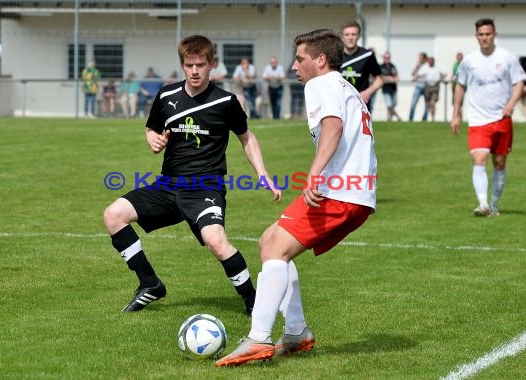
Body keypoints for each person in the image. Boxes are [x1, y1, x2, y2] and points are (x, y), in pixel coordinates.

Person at [216, 28, 376, 367]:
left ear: (320, 60)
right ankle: (296, 332)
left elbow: (333, 128)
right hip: (353, 191)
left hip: (339, 191)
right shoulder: (344, 86)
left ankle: (258, 339)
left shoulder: (320, 84)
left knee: (275, 248)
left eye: (300, 59)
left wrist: (315, 173)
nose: (293, 67)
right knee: (269, 241)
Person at [102, 34, 282, 316]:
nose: (195, 71)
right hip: (168, 185)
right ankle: (150, 284)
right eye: (189, 65)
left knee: (216, 241)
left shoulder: (226, 101)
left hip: (205, 187)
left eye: (200, 64)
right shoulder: (166, 96)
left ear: (213, 64)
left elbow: (246, 138)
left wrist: (262, 173)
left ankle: (253, 303)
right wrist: (151, 138)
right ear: (182, 65)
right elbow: (151, 128)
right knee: (113, 215)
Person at [450, 18, 525, 217]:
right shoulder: (468, 61)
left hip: (502, 119)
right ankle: (482, 204)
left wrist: (511, 104)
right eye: (481, 34)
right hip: (478, 120)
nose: (484, 38)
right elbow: (460, 86)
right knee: (479, 158)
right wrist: (456, 113)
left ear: (495, 35)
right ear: (477, 36)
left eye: (488, 34)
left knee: (499, 163)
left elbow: (520, 83)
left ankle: (493, 204)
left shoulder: (507, 57)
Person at [340, 20, 383, 114]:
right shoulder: (335, 55)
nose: (350, 37)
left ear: (358, 36)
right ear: (342, 37)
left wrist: (368, 92)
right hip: (339, 103)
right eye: (347, 34)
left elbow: (380, 79)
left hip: (360, 104)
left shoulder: (367, 55)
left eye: (353, 34)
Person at [419, 56, 446, 122]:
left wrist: (440, 79)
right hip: (428, 87)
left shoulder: (438, 67)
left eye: (431, 61)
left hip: (435, 87)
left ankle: (433, 118)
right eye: (429, 61)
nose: (430, 62)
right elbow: (419, 74)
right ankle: (427, 117)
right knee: (428, 104)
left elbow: (444, 74)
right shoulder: (425, 68)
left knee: (433, 102)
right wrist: (414, 77)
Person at [380, 51, 401, 121]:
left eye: (388, 58)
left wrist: (388, 78)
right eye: (386, 58)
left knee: (393, 105)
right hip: (385, 89)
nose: (387, 59)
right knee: (389, 105)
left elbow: (397, 78)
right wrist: (390, 78)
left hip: (393, 89)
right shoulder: (380, 67)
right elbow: (380, 78)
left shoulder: (393, 66)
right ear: (383, 58)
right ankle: (398, 118)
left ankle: (389, 119)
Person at [409, 52, 429, 121]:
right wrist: (417, 66)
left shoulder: (427, 65)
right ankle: (410, 119)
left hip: (426, 86)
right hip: (418, 86)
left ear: (424, 58)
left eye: (421, 57)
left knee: (427, 104)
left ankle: (424, 119)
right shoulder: (418, 65)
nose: (419, 59)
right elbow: (412, 73)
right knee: (413, 103)